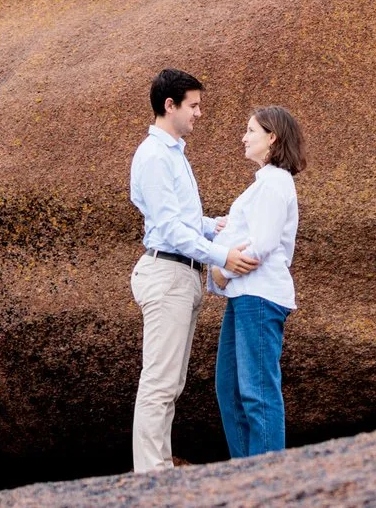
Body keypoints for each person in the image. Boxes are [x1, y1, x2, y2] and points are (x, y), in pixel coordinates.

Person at [128, 68, 257, 473]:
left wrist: (213, 224)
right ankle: (151, 477)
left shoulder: (173, 153)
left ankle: (158, 467)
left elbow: (180, 219)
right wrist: (221, 255)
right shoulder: (153, 156)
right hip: (167, 273)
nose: (199, 113)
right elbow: (167, 229)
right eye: (194, 105)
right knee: (160, 383)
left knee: (171, 383)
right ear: (170, 105)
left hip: (181, 274)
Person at [210, 105, 305, 459]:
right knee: (230, 388)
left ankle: (268, 483)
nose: (244, 136)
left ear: (272, 137)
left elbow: (263, 244)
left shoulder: (275, 182)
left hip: (259, 297)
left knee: (257, 391)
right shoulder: (265, 184)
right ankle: (246, 472)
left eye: (250, 130)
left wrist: (222, 270)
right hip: (246, 295)